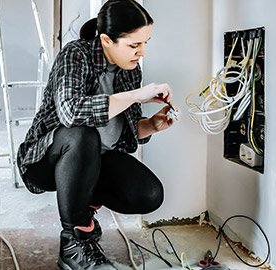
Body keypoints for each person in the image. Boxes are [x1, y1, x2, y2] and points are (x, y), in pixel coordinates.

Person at [16, 1, 179, 269]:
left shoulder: (130, 71)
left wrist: (150, 125)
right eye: (134, 45)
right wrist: (138, 95)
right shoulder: (75, 55)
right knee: (82, 135)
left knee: (149, 194)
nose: (142, 52)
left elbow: (119, 134)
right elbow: (71, 114)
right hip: (46, 159)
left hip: (96, 159)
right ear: (106, 40)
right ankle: (74, 242)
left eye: (145, 43)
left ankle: (84, 207)